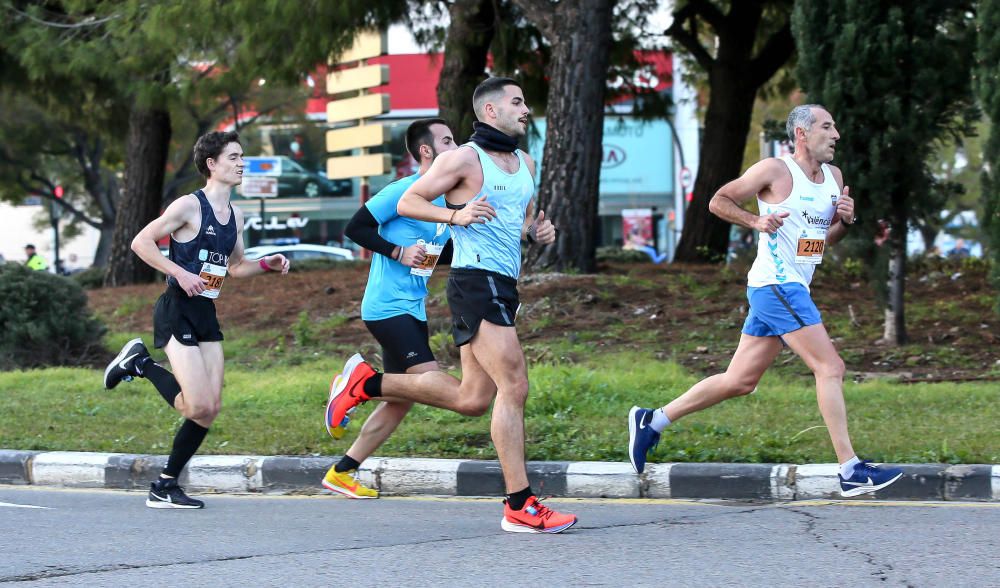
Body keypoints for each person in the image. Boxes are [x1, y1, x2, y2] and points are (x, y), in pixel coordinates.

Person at [325, 77, 577, 533]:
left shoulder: (525, 162)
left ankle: (368, 385)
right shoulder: (464, 158)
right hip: (475, 283)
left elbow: (518, 222)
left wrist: (536, 232)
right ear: (490, 112)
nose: (525, 109)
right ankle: (519, 503)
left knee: (473, 398)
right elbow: (410, 199)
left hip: (504, 282)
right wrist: (454, 215)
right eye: (517, 102)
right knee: (514, 385)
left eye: (524, 101)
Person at [628, 105, 904, 498]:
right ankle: (850, 469)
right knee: (830, 366)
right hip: (777, 285)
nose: (837, 134)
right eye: (828, 126)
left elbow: (820, 244)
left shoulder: (834, 179)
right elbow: (718, 201)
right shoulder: (774, 171)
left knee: (740, 381)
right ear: (803, 134)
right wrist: (756, 221)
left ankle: (652, 421)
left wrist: (845, 220)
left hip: (791, 286)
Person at [102, 131, 289, 509]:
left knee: (209, 408)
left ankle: (165, 484)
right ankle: (139, 363)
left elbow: (235, 267)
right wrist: (180, 272)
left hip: (206, 311)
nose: (241, 163)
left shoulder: (235, 215)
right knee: (196, 405)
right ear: (212, 164)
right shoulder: (189, 206)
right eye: (234, 157)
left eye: (242, 157)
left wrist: (267, 264)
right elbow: (141, 242)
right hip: (176, 308)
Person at [321, 118, 459, 499]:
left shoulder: (444, 201)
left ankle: (342, 472)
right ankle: (360, 383)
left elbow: (440, 253)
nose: (457, 146)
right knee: (430, 384)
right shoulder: (403, 191)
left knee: (402, 401)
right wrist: (398, 252)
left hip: (412, 307)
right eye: (448, 140)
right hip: (386, 306)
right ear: (426, 151)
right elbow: (356, 227)